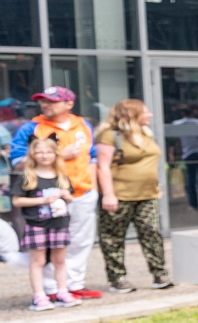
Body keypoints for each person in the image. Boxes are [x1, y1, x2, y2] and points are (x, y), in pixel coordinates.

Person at [21, 88, 98, 298]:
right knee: (48, 244)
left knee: (79, 241)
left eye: (52, 101)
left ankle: (74, 285)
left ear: (69, 104)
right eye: (43, 101)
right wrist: (59, 155)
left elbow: (92, 158)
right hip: (45, 197)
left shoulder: (84, 126)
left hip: (81, 193)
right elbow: (18, 161)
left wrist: (95, 189)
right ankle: (51, 289)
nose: (46, 105)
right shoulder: (31, 128)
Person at [93, 98, 173, 293]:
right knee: (113, 237)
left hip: (148, 194)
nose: (150, 115)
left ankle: (159, 274)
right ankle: (117, 277)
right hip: (120, 195)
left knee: (152, 232)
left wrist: (156, 186)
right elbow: (102, 166)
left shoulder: (146, 133)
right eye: (145, 112)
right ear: (132, 114)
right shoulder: (110, 135)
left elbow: (150, 163)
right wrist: (108, 194)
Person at [17, 133, 75, 310]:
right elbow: (17, 201)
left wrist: (67, 197)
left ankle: (62, 291)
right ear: (33, 155)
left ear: (56, 154)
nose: (44, 155)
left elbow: (70, 199)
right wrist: (42, 201)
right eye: (40, 152)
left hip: (59, 224)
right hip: (37, 224)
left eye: (49, 152)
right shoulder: (28, 177)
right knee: (38, 261)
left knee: (60, 259)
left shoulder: (61, 177)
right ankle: (39, 296)